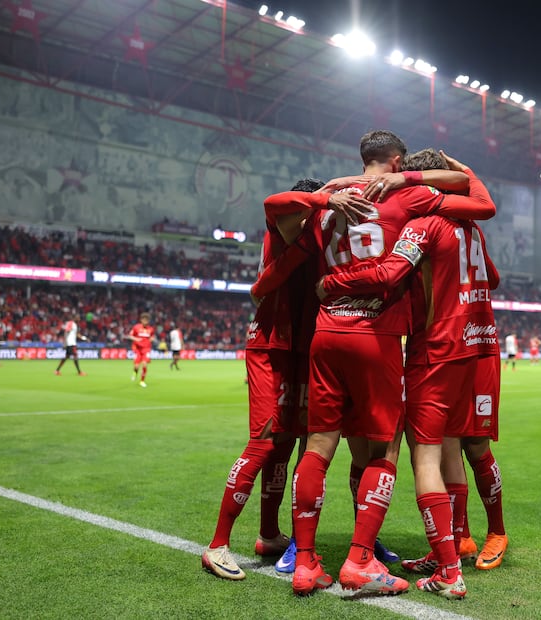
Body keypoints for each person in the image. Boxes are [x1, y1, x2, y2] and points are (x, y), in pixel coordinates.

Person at [260, 130, 495, 596]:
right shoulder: (410, 196)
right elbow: (478, 200)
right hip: (378, 336)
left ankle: (305, 562)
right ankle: (360, 558)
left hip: (325, 335)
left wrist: (329, 195)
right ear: (397, 160)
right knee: (385, 448)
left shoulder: (328, 200)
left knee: (318, 446)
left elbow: (275, 207)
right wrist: (417, 175)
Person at [201, 179, 324, 582]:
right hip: (270, 345)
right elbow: (277, 201)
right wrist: (324, 198)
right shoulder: (281, 222)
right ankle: (217, 544)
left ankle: (269, 535)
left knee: (286, 443)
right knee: (264, 440)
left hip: (300, 349)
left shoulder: (316, 236)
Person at [127, 312, 154, 387]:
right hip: (137, 349)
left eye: (147, 320)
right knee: (136, 366)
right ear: (141, 320)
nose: (145, 322)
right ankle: (135, 373)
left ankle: (142, 381)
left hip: (146, 349)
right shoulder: (136, 327)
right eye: (144, 320)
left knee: (144, 364)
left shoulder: (151, 329)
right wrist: (136, 339)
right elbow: (130, 336)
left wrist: (152, 339)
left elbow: (152, 337)